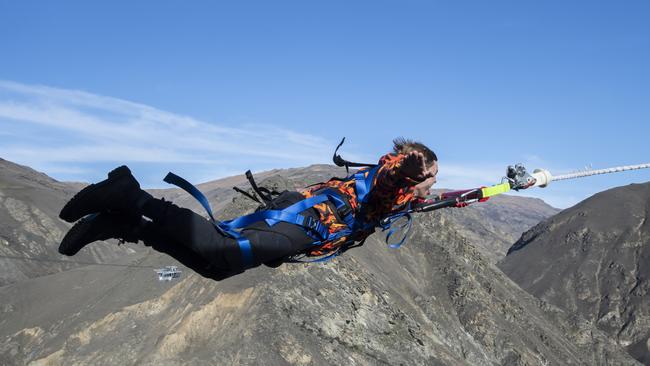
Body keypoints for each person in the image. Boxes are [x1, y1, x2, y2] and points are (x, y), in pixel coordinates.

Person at [58, 138, 438, 280]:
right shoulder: (389, 182)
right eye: (431, 175)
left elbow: (428, 197)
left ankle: (125, 225)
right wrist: (405, 169)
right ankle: (130, 197)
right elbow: (387, 180)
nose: (433, 182)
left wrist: (486, 190)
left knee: (216, 267)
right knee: (228, 250)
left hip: (311, 229)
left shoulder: (404, 198)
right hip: (310, 219)